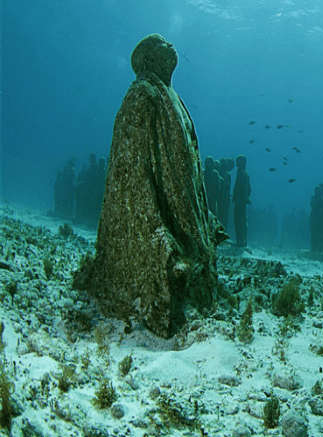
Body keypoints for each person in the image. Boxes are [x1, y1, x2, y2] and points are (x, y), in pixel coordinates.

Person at [73, 34, 224, 337]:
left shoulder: (173, 96)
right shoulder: (142, 94)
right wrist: (154, 225)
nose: (170, 45)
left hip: (183, 200)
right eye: (161, 43)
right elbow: (129, 167)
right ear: (148, 56)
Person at [233, 154, 251, 247]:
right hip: (239, 201)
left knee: (240, 221)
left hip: (240, 202)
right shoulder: (241, 173)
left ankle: (242, 241)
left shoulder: (243, 174)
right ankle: (240, 240)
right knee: (239, 221)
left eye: (238, 161)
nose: (236, 163)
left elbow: (246, 189)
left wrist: (243, 199)